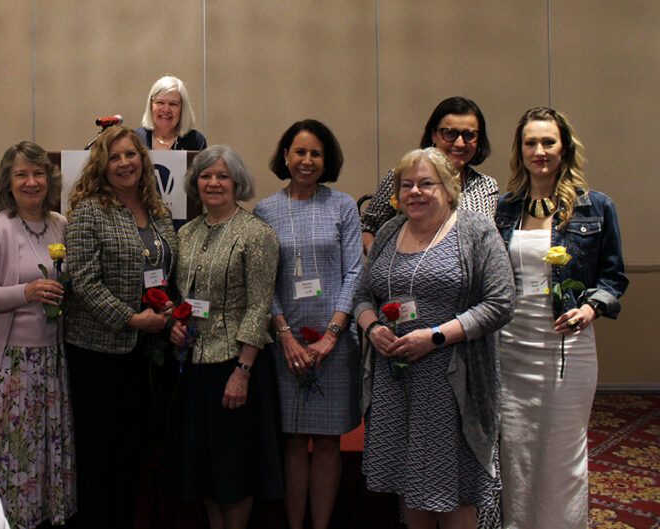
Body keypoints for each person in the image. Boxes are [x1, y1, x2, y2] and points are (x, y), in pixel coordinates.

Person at [353, 148, 513, 529]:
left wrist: (436, 337)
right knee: (411, 489)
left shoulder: (475, 230)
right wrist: (373, 328)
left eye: (427, 183)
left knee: (453, 494)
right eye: (406, 185)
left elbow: (501, 302)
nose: (415, 192)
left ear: (449, 187)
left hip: (452, 385)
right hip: (396, 383)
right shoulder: (391, 231)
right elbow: (362, 296)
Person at [495, 107, 627, 529]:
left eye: (548, 141)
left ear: (564, 147)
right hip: (511, 348)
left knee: (562, 453)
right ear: (520, 150)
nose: (539, 151)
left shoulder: (596, 207)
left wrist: (589, 309)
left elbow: (613, 278)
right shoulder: (505, 209)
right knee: (516, 453)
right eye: (530, 142)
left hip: (567, 348)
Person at [64, 126, 177, 528]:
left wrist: (168, 315)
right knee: (100, 457)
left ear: (143, 161)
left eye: (131, 155)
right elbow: (83, 280)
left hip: (147, 354)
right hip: (98, 354)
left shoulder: (159, 211)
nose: (124, 163)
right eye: (114, 157)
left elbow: (167, 273)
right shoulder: (89, 211)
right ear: (101, 165)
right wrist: (131, 318)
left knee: (135, 451)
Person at [253, 120, 363, 529]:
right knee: (295, 441)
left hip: (335, 345)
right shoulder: (265, 210)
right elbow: (263, 280)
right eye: (299, 152)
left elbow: (354, 272)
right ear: (285, 156)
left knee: (331, 442)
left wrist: (332, 335)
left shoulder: (343, 205)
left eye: (316, 153)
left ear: (326, 160)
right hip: (288, 344)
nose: (307, 160)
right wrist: (284, 337)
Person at [170, 145, 283, 529]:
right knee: (203, 467)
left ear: (237, 183)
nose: (214, 183)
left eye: (222, 176)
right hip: (193, 367)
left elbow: (259, 306)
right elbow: (179, 295)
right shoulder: (185, 233)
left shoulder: (256, 233)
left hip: (235, 367)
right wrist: (174, 323)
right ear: (194, 182)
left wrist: (243, 370)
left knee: (234, 470)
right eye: (206, 176)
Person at [0, 141, 76, 527]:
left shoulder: (61, 224)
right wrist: (25, 292)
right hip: (5, 368)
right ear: (8, 184)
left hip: (49, 363)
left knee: (41, 457)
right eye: (22, 175)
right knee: (9, 459)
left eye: (39, 173)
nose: (32, 182)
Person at [360, 96, 498, 254]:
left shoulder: (486, 185)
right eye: (450, 133)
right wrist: (380, 261)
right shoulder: (403, 177)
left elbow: (489, 244)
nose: (460, 143)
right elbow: (367, 227)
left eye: (469, 135)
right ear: (433, 135)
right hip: (410, 273)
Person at [135, 75, 207, 151]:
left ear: (183, 108)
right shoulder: (136, 138)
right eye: (160, 103)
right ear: (150, 105)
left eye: (173, 104)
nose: (166, 110)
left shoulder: (196, 141)